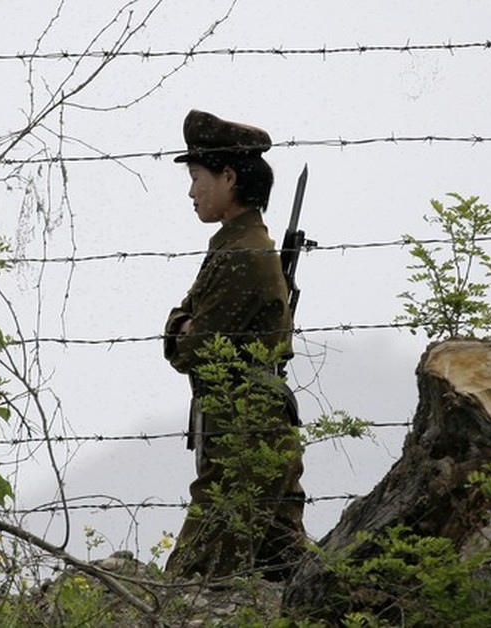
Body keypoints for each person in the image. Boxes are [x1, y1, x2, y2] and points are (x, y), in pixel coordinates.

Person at [163, 109, 307, 582]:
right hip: (250, 433)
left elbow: (188, 348)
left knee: (193, 584)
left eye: (196, 176)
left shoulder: (244, 254)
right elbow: (184, 334)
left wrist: (184, 328)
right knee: (290, 579)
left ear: (228, 177)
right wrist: (185, 328)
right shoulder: (232, 247)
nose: (190, 190)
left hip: (245, 439)